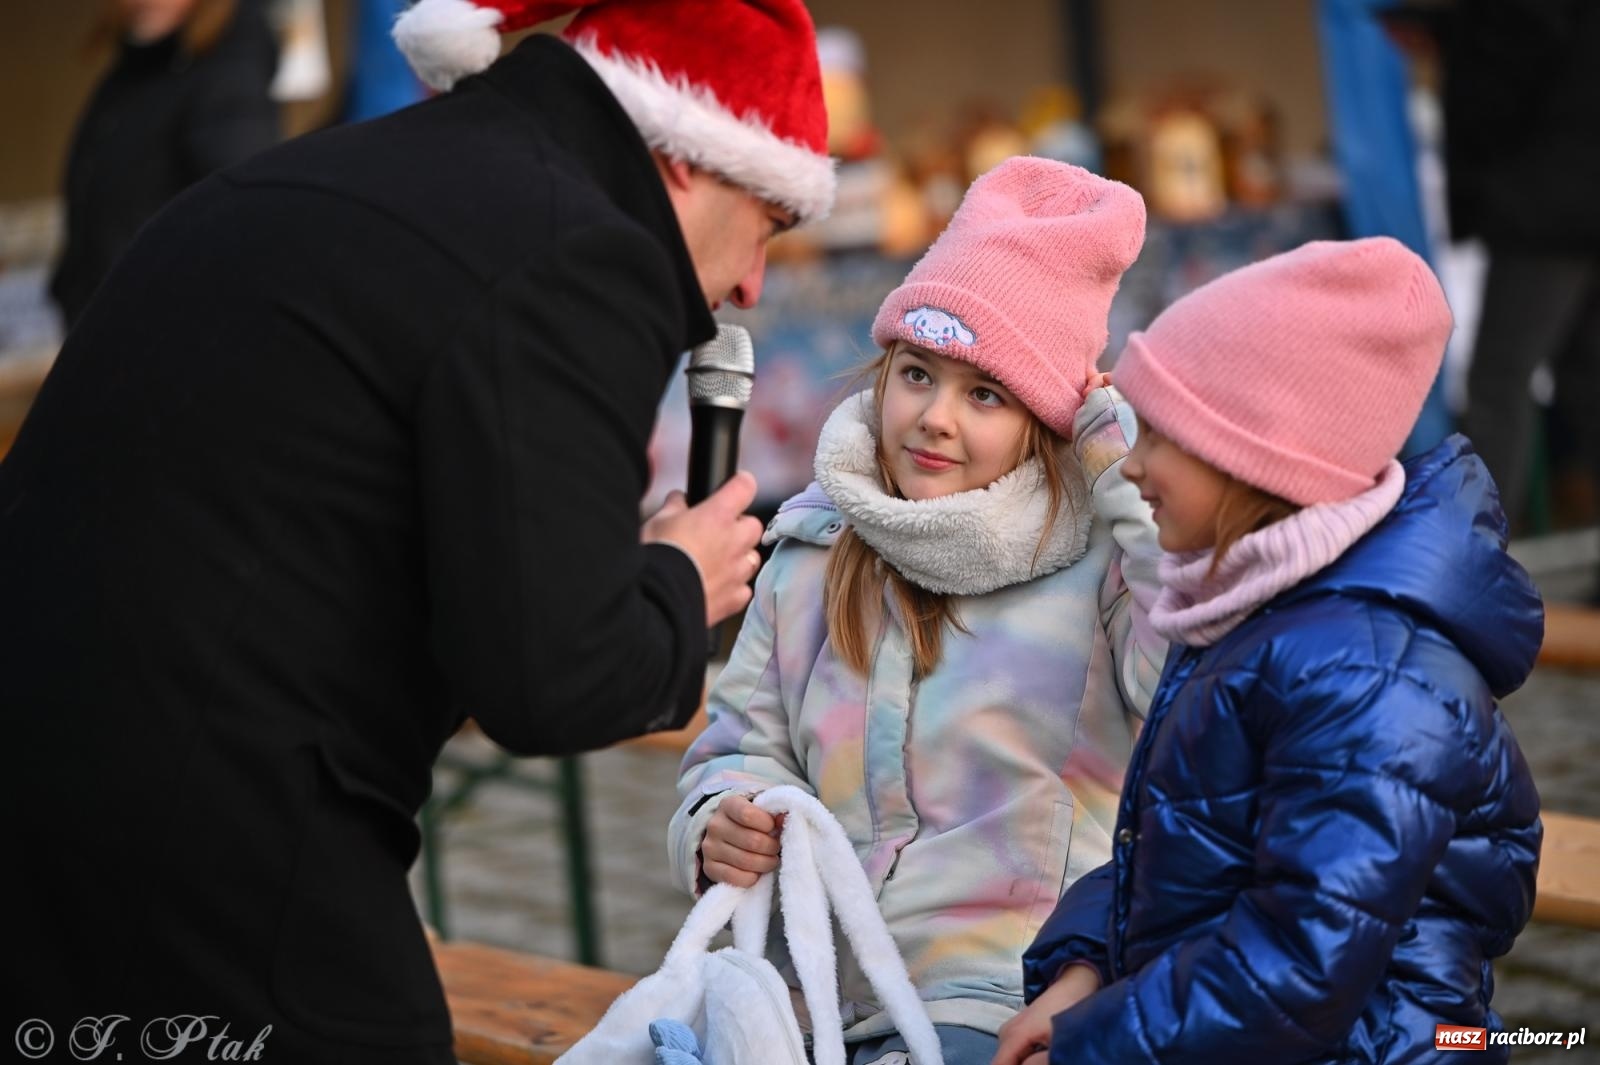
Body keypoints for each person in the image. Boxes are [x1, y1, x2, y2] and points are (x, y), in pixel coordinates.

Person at [3, 1, 832, 1061]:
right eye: (765, 225)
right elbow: (551, 677)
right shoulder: (585, 247)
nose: (753, 283)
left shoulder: (365, 173)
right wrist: (677, 578)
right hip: (213, 835)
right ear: (688, 157)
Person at [668, 157, 1167, 1065]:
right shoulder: (817, 544)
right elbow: (740, 740)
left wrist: (1117, 468)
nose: (935, 417)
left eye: (984, 393)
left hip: (1009, 992)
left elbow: (1186, 666)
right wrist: (719, 819)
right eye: (917, 374)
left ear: (1049, 421)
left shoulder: (1102, 558)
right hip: (811, 988)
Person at [999, 238, 1543, 1065]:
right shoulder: (1255, 611)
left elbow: (1297, 963)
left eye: (1162, 437)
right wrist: (1085, 963)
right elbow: (1184, 843)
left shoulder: (1365, 675)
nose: (1133, 467)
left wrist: (1094, 1046)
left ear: (1257, 459)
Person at [1448, 0, 1600, 543]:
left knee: (1499, 383)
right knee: (1585, 381)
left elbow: (1496, 82)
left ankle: (1478, 557)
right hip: (1568, 193)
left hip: (1545, 202)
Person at [51, 0, 281, 328]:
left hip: (160, 333)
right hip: (108, 320)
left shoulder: (228, 81)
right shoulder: (138, 66)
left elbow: (246, 229)